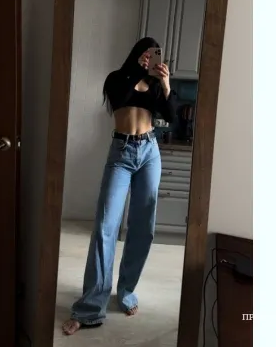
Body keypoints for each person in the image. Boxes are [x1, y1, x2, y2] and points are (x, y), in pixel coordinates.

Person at [62, 37, 175, 336]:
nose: (150, 59)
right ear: (137, 54)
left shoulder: (154, 85)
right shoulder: (117, 79)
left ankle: (126, 291)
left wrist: (165, 85)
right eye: (146, 54)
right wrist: (138, 71)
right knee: (105, 227)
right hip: (121, 153)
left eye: (154, 55)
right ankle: (90, 307)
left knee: (143, 227)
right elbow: (120, 100)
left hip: (149, 152)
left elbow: (171, 116)